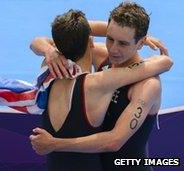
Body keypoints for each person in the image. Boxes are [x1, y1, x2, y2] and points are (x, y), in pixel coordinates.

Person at [29, 6, 172, 171]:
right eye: (110, 39)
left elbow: (115, 141)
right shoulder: (101, 56)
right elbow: (62, 35)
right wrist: (49, 51)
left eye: (123, 43)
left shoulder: (148, 85)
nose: (113, 49)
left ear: (141, 43)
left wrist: (54, 143)